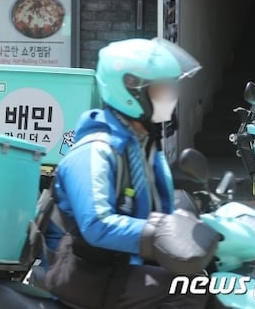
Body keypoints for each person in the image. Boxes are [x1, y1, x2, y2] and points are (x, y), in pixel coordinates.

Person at [42, 37, 214, 309]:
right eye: (162, 89)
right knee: (190, 288)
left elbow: (160, 210)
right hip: (84, 272)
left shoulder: (142, 145)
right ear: (130, 92)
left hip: (119, 264)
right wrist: (156, 232)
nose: (171, 97)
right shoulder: (95, 151)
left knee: (212, 274)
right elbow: (96, 225)